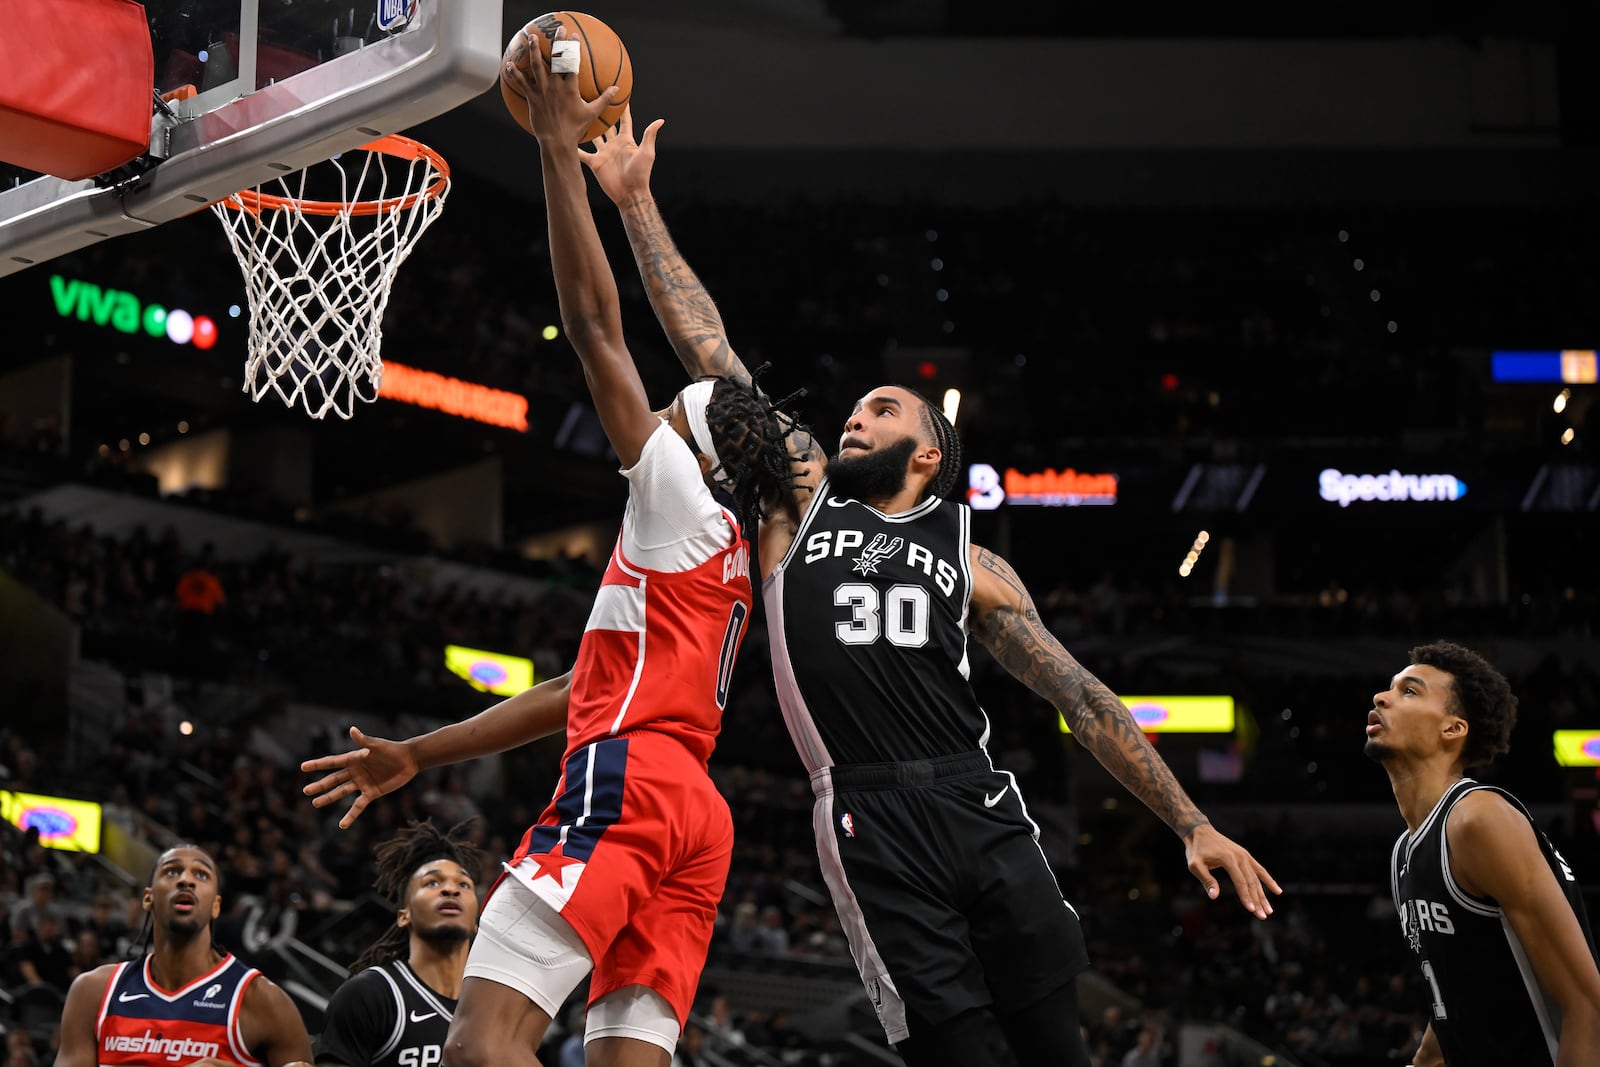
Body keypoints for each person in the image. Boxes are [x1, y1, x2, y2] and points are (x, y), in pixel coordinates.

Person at [573, 108, 1281, 1066]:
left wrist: (1192, 823)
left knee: (1054, 1047)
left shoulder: (973, 559)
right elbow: (713, 355)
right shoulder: (801, 496)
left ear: (931, 450)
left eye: (883, 408)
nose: (855, 417)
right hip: (867, 813)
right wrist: (637, 203)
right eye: (856, 407)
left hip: (979, 800)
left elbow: (1079, 694)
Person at [301, 34, 802, 1067]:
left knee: (484, 1044)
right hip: (695, 814)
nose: (653, 417)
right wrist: (420, 753)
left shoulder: (680, 498)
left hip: (630, 784)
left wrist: (552, 149)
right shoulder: (740, 558)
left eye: (673, 412)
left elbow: (593, 328)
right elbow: (574, 690)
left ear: (696, 447)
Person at [1364, 640, 1600, 1066]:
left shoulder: (1477, 819)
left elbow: (1587, 1005)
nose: (1382, 697)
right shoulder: (1406, 852)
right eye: (1389, 688)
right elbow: (1455, 1008)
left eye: (1409, 691)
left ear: (1452, 729)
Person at [54, 844, 315, 1067]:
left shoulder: (263, 1001)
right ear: (148, 898)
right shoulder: (94, 991)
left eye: (201, 875)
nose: (186, 880)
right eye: (172, 871)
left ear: (216, 906)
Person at [315, 820, 481, 1067]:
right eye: (432, 883)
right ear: (405, 915)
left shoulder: (492, 1009)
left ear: (476, 921)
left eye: (463, 884)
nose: (450, 889)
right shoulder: (369, 995)